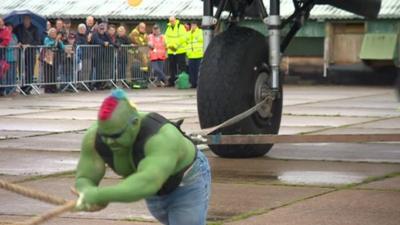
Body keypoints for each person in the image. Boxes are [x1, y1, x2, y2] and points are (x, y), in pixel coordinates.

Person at [74, 89, 211, 225]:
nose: (109, 141)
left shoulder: (162, 137)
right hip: (154, 192)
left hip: (187, 182)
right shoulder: (93, 137)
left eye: (116, 136)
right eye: (104, 135)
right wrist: (86, 191)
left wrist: (99, 195)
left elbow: (148, 181)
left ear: (134, 123)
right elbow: (85, 177)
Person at [14, 15, 41, 94]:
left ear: (30, 20)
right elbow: (14, 37)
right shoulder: (18, 28)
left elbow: (38, 41)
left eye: (27, 19)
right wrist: (18, 42)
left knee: (30, 70)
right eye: (24, 19)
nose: (26, 21)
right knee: (21, 69)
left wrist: (29, 44)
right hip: (21, 52)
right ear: (23, 20)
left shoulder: (35, 28)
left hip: (31, 52)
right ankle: (22, 87)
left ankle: (28, 87)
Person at [164, 16, 187, 87]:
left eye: (172, 21)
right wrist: (169, 45)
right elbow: (166, 38)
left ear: (175, 20)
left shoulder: (181, 27)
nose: (171, 22)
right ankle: (172, 81)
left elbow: (183, 38)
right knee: (172, 67)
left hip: (180, 50)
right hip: (171, 51)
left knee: (182, 66)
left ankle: (184, 81)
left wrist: (175, 45)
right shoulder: (168, 28)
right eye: (170, 21)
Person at [92, 23, 114, 89]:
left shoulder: (106, 34)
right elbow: (97, 40)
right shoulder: (95, 34)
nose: (101, 30)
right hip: (97, 55)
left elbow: (110, 41)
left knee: (104, 70)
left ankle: (103, 84)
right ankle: (98, 84)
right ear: (98, 29)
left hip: (105, 56)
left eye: (103, 28)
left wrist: (116, 45)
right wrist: (104, 43)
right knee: (98, 70)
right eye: (100, 28)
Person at [42, 28, 64, 93]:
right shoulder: (47, 39)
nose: (53, 34)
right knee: (48, 73)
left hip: (56, 58)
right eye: (51, 33)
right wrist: (55, 41)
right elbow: (47, 45)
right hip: (48, 57)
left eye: (54, 33)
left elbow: (62, 48)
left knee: (54, 73)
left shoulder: (58, 40)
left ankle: (54, 88)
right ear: (49, 33)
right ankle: (47, 88)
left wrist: (58, 41)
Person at [2, 22, 19, 96]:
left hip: (15, 57)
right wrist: (15, 46)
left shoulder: (14, 36)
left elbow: (16, 43)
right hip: (7, 57)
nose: (10, 28)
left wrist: (18, 45)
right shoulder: (5, 35)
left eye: (11, 27)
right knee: (8, 75)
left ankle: (13, 89)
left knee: (14, 74)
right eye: (8, 27)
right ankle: (8, 90)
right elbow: (6, 46)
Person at [186, 22, 203, 89]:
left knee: (198, 70)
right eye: (192, 25)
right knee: (191, 71)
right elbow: (186, 41)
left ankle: (198, 83)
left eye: (194, 25)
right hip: (191, 55)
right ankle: (193, 84)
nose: (193, 26)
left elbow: (201, 39)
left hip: (198, 54)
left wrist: (194, 34)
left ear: (196, 25)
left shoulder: (200, 32)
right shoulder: (188, 33)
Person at [0, 18, 12, 96]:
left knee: (1, 71)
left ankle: (2, 90)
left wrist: (1, 45)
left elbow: (7, 40)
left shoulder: (6, 30)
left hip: (1, 53)